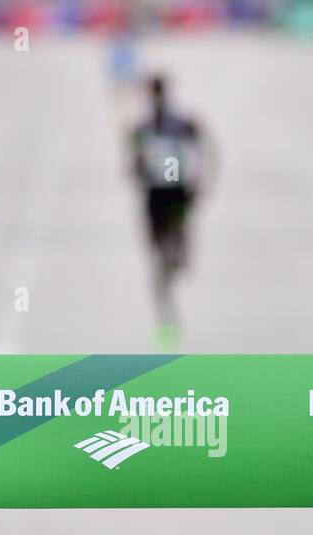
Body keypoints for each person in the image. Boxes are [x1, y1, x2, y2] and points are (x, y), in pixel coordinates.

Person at [129, 76, 211, 348]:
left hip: (177, 193)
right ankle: (166, 318)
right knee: (158, 258)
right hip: (155, 196)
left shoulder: (183, 124)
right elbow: (133, 164)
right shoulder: (141, 128)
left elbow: (206, 152)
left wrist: (199, 182)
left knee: (170, 253)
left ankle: (177, 255)